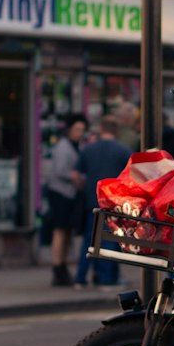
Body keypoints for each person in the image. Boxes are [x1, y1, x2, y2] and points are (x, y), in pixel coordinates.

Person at [74, 115, 131, 287]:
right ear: (117, 131)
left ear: (101, 130)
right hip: (113, 202)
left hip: (92, 199)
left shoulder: (88, 149)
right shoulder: (123, 150)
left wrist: (84, 188)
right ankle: (108, 279)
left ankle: (80, 278)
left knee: (89, 240)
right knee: (109, 240)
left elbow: (75, 175)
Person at [47, 113, 87, 287]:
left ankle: (62, 265)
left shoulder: (78, 145)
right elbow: (59, 170)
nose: (80, 133)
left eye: (82, 130)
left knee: (67, 231)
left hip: (70, 194)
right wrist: (75, 176)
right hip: (60, 193)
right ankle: (57, 267)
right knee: (60, 229)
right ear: (70, 129)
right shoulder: (63, 147)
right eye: (77, 129)